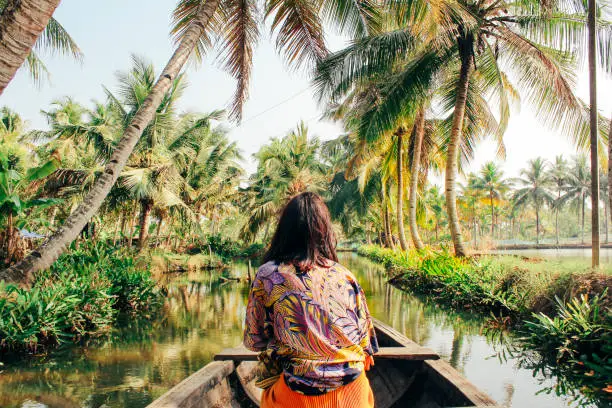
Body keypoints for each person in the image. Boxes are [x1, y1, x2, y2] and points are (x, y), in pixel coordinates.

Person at [243, 192, 378, 408]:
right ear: (324, 231)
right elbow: (367, 347)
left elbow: (254, 341)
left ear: (283, 231)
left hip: (299, 398)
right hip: (355, 395)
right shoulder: (345, 275)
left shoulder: (268, 275)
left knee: (267, 395)